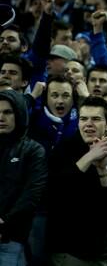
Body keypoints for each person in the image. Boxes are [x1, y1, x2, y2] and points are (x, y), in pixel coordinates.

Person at [47, 96, 107, 266]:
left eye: (96, 119)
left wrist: (102, 168)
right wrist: (90, 157)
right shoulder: (62, 150)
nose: (88, 123)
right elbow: (56, 191)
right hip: (68, 251)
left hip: (102, 252)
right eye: (83, 119)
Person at [0, 90, 47, 265]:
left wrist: (4, 223)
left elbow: (32, 194)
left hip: (11, 238)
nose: (1, 117)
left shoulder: (33, 150)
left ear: (19, 114)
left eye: (7, 112)